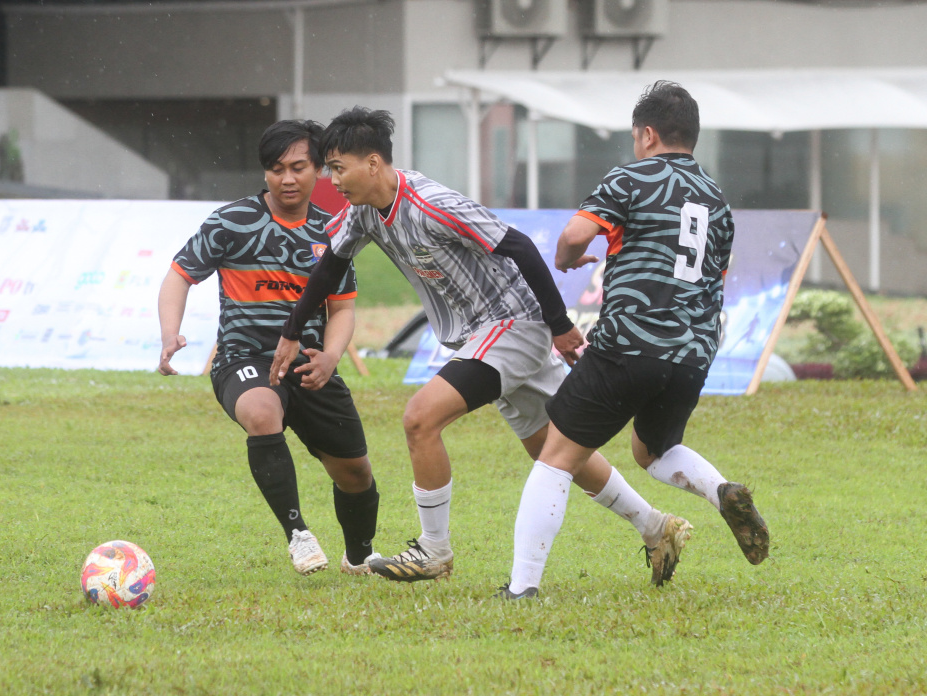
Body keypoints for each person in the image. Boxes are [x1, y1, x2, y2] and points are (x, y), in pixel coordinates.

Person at [270, 106, 689, 586]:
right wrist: (291, 330)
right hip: (482, 335)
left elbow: (520, 246)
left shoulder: (431, 202)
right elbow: (330, 267)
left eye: (338, 168)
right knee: (553, 451)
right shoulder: (364, 213)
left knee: (420, 419)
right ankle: (656, 526)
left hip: (512, 323)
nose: (333, 181)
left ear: (372, 164)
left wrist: (558, 325)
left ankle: (434, 550)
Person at [501, 81, 770, 599]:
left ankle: (523, 588)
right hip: (692, 351)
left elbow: (575, 237)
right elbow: (716, 276)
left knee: (556, 456)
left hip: (630, 342)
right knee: (652, 451)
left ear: (647, 135)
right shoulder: (717, 198)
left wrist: (565, 259)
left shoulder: (631, 177)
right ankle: (721, 492)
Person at [157, 119, 381, 577]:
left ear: (319, 169)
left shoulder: (335, 228)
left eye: (298, 167)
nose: (287, 179)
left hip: (310, 364)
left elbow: (342, 308)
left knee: (355, 474)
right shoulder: (231, 222)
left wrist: (332, 356)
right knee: (261, 412)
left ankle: (358, 557)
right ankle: (298, 534)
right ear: (265, 173)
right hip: (245, 359)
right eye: (276, 169)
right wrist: (169, 332)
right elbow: (179, 275)